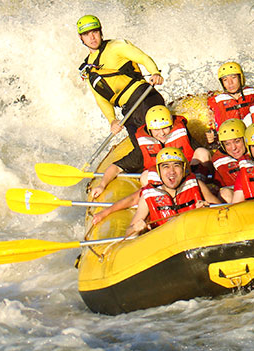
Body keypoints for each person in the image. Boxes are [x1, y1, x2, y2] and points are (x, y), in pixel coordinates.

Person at [77, 14, 165, 173]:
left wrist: (155, 72)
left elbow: (143, 58)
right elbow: (101, 98)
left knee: (158, 140)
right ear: (81, 38)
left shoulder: (116, 46)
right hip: (128, 110)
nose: (92, 37)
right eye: (86, 34)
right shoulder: (87, 69)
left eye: (95, 32)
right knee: (140, 152)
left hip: (143, 97)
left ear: (100, 32)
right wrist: (112, 120)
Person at [90, 105, 212, 203]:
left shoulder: (181, 134)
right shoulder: (143, 149)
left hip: (189, 180)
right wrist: (102, 185)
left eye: (165, 128)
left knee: (202, 153)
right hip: (164, 189)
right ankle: (162, 204)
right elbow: (116, 167)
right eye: (156, 130)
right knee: (145, 175)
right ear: (149, 130)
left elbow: (201, 152)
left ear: (171, 125)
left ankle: (206, 188)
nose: (162, 133)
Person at [125, 148, 220, 237]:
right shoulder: (148, 195)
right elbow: (128, 233)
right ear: (159, 171)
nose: (171, 172)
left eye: (176, 165)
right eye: (166, 166)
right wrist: (135, 228)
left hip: (197, 236)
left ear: (183, 169)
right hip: (166, 244)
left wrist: (208, 209)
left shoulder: (196, 184)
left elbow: (223, 209)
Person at [206, 62, 254, 145]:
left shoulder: (253, 94)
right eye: (225, 80)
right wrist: (212, 135)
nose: (230, 83)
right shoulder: (217, 101)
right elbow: (215, 122)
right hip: (232, 140)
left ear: (241, 78)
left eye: (234, 78)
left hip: (253, 137)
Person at [211, 118, 248, 203]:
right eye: (227, 144)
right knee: (225, 193)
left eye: (237, 141)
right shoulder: (219, 160)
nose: (233, 148)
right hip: (236, 201)